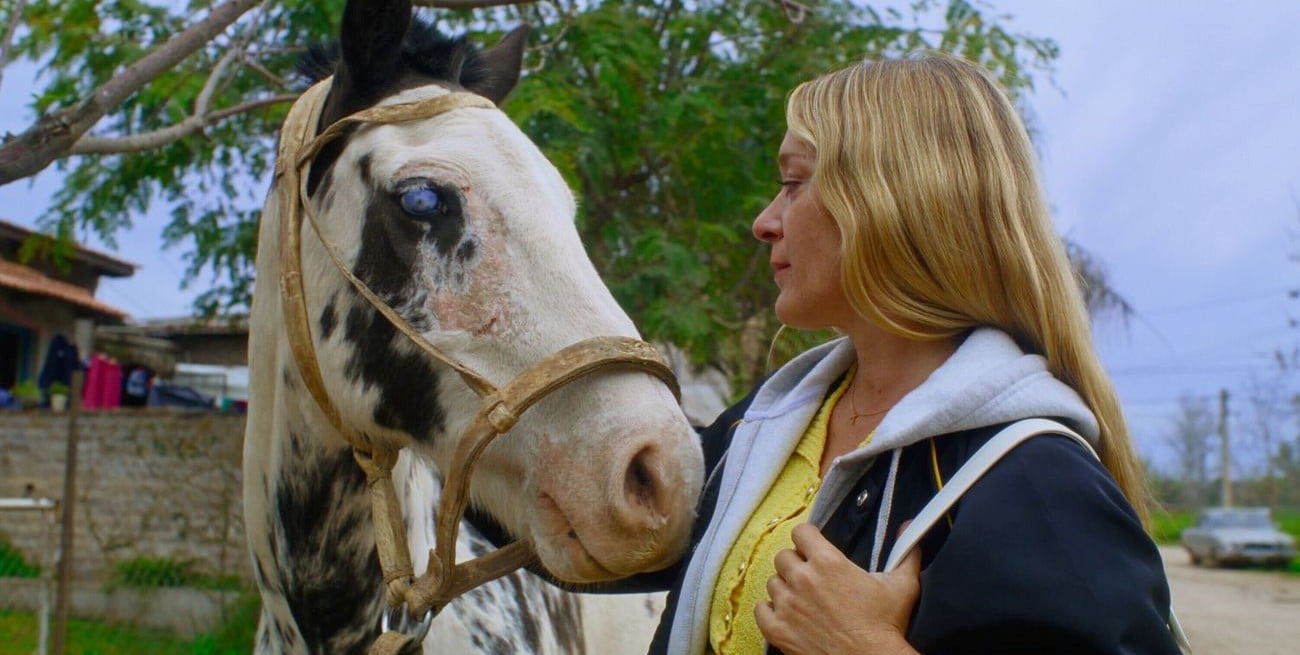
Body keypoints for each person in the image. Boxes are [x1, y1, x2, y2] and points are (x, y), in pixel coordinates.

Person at [640, 52, 1182, 655]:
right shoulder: (768, 423)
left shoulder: (1036, 480)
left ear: (892, 201)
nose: (764, 222)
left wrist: (862, 645)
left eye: (793, 183)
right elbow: (607, 525)